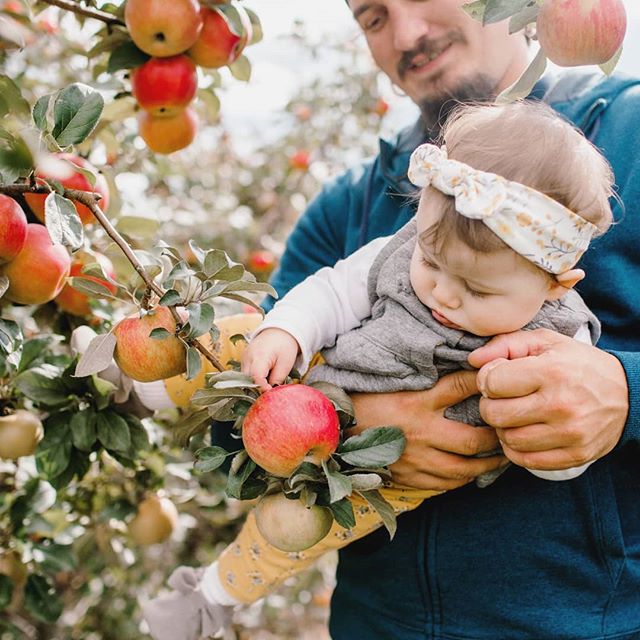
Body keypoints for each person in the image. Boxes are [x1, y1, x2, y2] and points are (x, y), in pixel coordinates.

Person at [148, 0, 640, 637]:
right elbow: (244, 401)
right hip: (374, 624)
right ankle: (141, 371)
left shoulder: (630, 132)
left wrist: (624, 394)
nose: (407, 33)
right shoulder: (348, 204)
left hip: (581, 626)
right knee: (241, 341)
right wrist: (347, 427)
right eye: (373, 16)